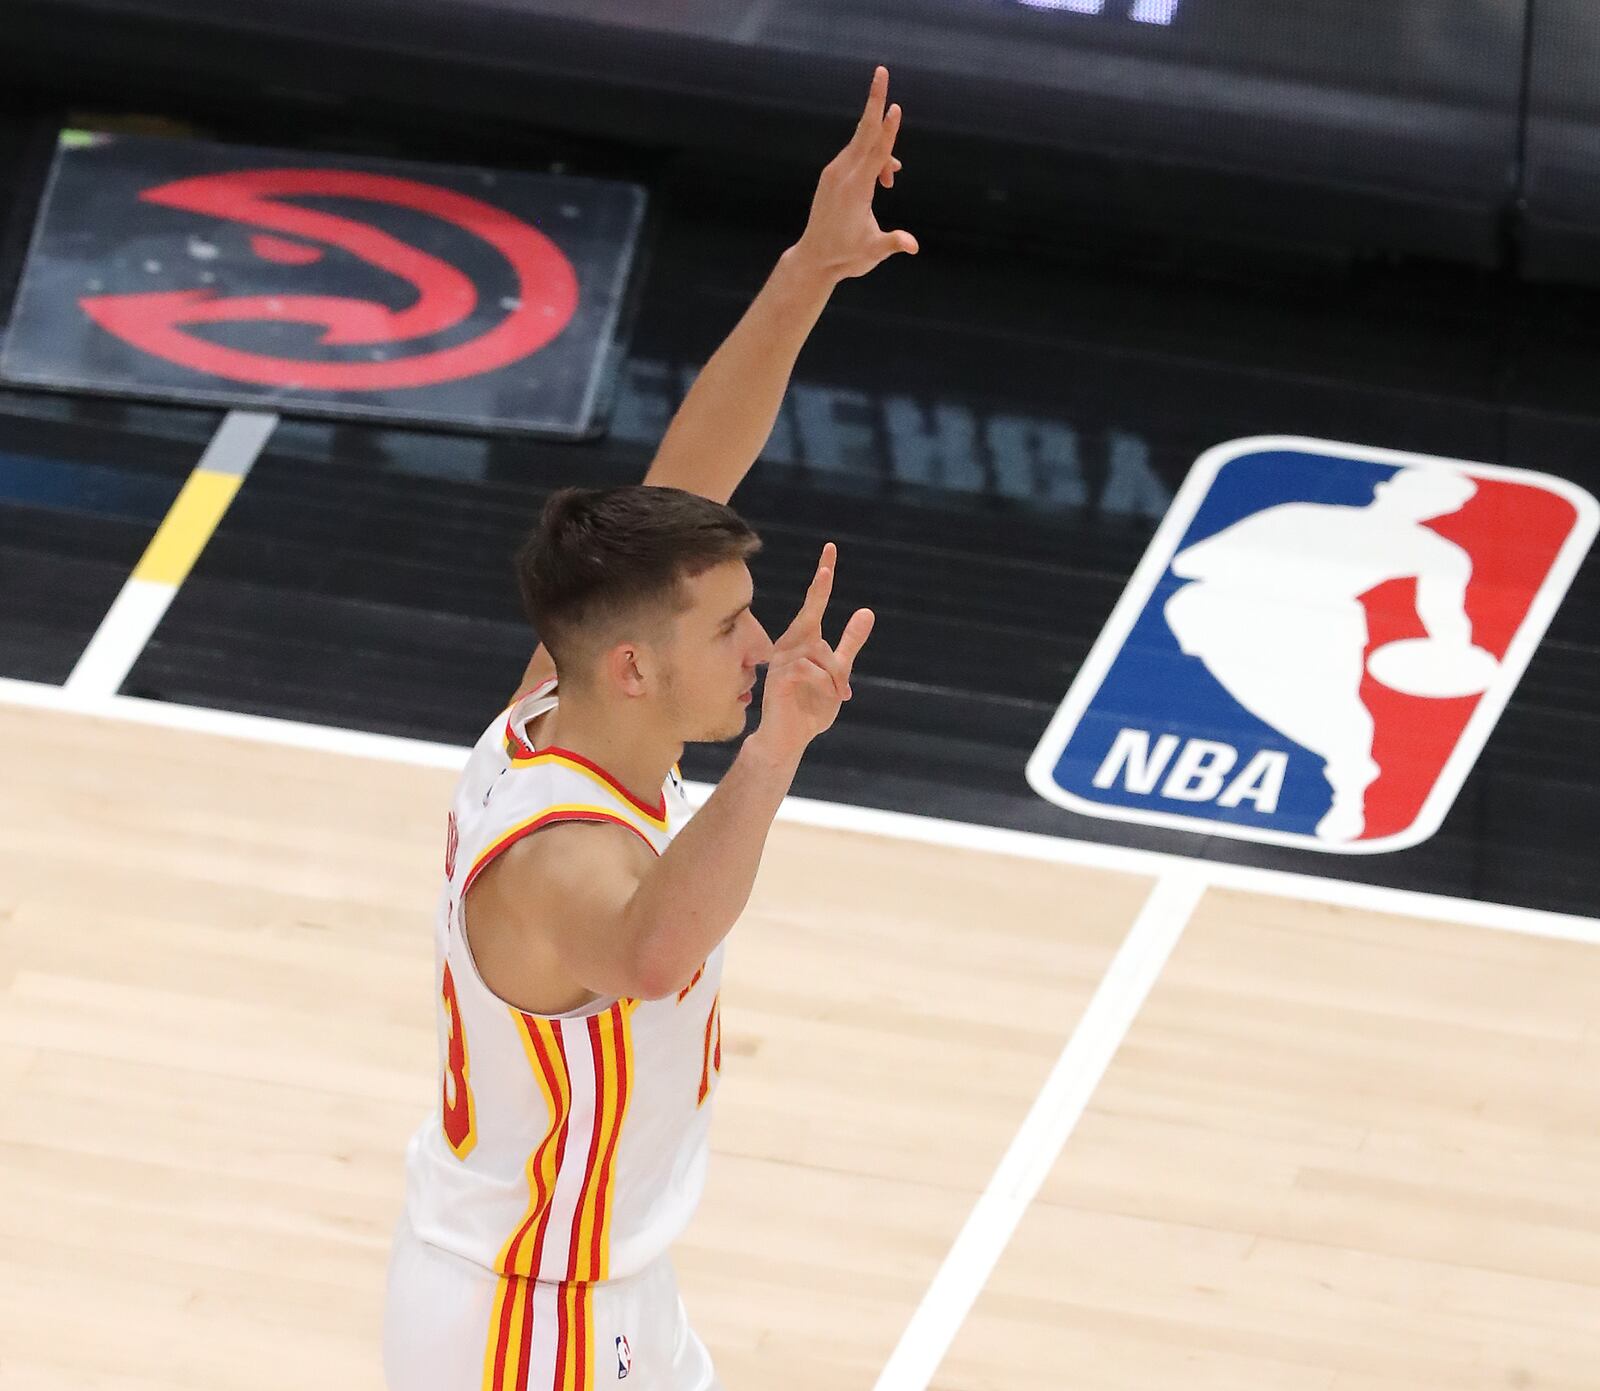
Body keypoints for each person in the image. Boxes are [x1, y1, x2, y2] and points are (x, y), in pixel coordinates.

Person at [383, 66, 916, 1391]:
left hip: (585, 1272)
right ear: (632, 664)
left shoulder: (550, 713)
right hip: (533, 1321)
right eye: (730, 625)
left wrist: (809, 269)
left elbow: (689, 473)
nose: (757, 642)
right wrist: (777, 744)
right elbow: (660, 942)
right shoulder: (566, 861)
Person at [1162, 466, 1479, 841]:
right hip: (1230, 613)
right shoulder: (1298, 517)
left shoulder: (1438, 554)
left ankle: (1350, 793)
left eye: (1438, 499)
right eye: (1421, 491)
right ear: (1386, 488)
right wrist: (1278, 569)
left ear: (1445, 509)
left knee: (1340, 712)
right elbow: (1190, 562)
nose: (1424, 504)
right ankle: (1349, 766)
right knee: (1278, 705)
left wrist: (1453, 655)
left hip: (1318, 626)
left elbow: (1445, 619)